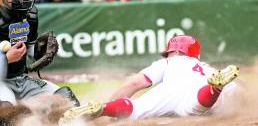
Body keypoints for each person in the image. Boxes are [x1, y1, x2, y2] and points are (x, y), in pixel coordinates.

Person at [59, 35, 239, 123]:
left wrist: (111, 103)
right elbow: (237, 93)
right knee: (200, 105)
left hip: (169, 92)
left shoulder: (169, 63)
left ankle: (103, 109)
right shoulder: (207, 68)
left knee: (137, 108)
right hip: (200, 89)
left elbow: (134, 84)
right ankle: (214, 89)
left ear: (175, 51)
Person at [0, 0, 79, 107]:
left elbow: (30, 51)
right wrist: (6, 59)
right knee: (5, 111)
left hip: (20, 80)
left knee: (65, 99)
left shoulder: (29, 16)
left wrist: (39, 51)